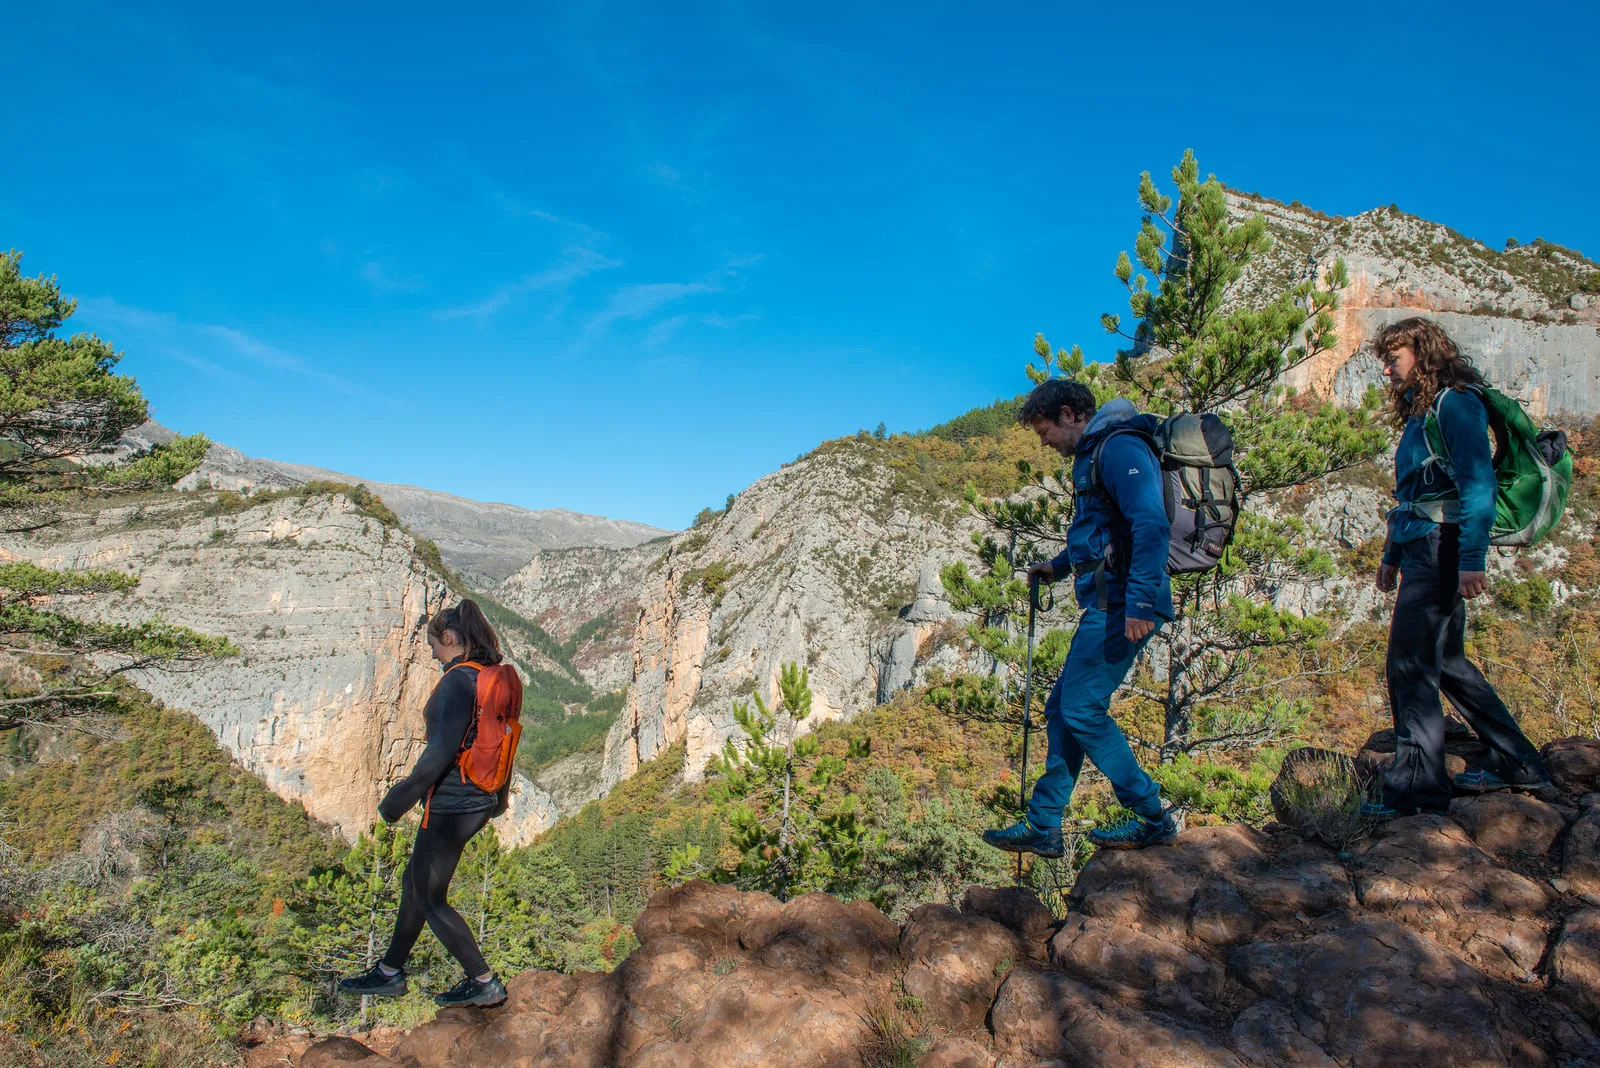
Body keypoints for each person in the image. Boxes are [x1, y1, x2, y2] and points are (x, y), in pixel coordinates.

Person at [983, 379, 1178, 855]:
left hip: (1121, 605)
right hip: (1108, 601)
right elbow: (1101, 533)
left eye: (1045, 430)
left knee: (1082, 710)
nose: (1043, 442)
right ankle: (1045, 824)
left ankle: (1151, 815)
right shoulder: (1093, 455)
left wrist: (1140, 603)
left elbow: (1150, 523)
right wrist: (1058, 566)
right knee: (1061, 711)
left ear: (1069, 414)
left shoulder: (1118, 448)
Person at [1364, 317, 1549, 818]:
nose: (1386, 369)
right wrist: (1390, 556)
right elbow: (1414, 495)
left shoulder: (1456, 403)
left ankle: (1418, 795)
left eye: (1394, 358)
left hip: (1444, 550)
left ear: (1422, 356)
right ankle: (1522, 764)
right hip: (1423, 547)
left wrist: (1471, 559)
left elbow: (1477, 485)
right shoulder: (1422, 413)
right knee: (1447, 663)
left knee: (1409, 667)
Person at [338, 599, 511, 1008]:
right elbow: (503, 742)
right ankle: (389, 972)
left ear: (449, 638)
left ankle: (483, 981)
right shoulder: (485, 678)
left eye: (434, 644)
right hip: (476, 799)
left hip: (453, 804)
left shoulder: (457, 681)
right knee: (415, 885)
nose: (432, 653)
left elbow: (440, 752)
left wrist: (394, 803)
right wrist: (498, 799)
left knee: (431, 897)